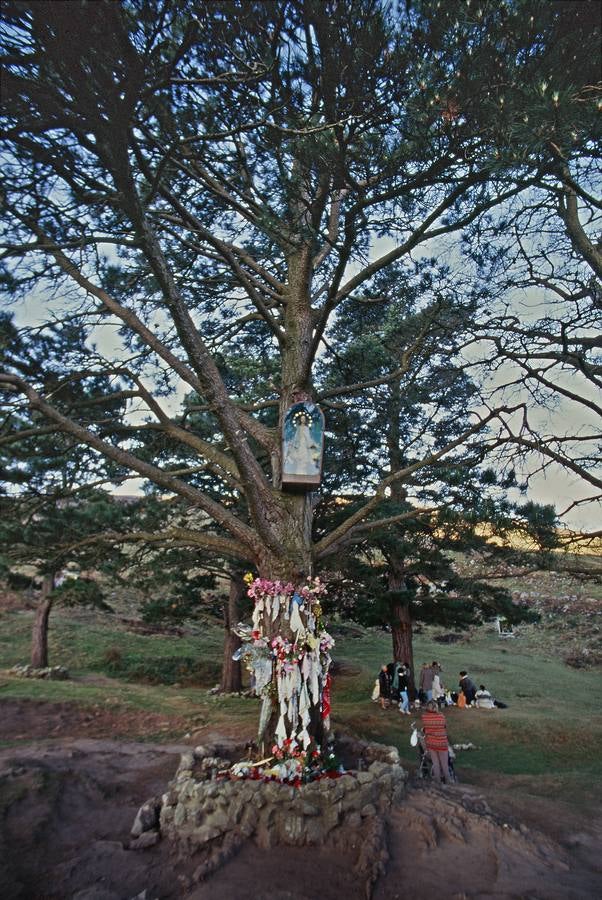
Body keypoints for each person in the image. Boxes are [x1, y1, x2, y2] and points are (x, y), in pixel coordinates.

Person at [421, 700, 450, 784]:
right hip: (442, 744)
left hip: (431, 744)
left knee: (436, 764)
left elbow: (425, 728)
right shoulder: (441, 716)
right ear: (436, 707)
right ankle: (449, 783)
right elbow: (444, 726)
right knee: (444, 765)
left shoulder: (424, 717)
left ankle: (438, 782)